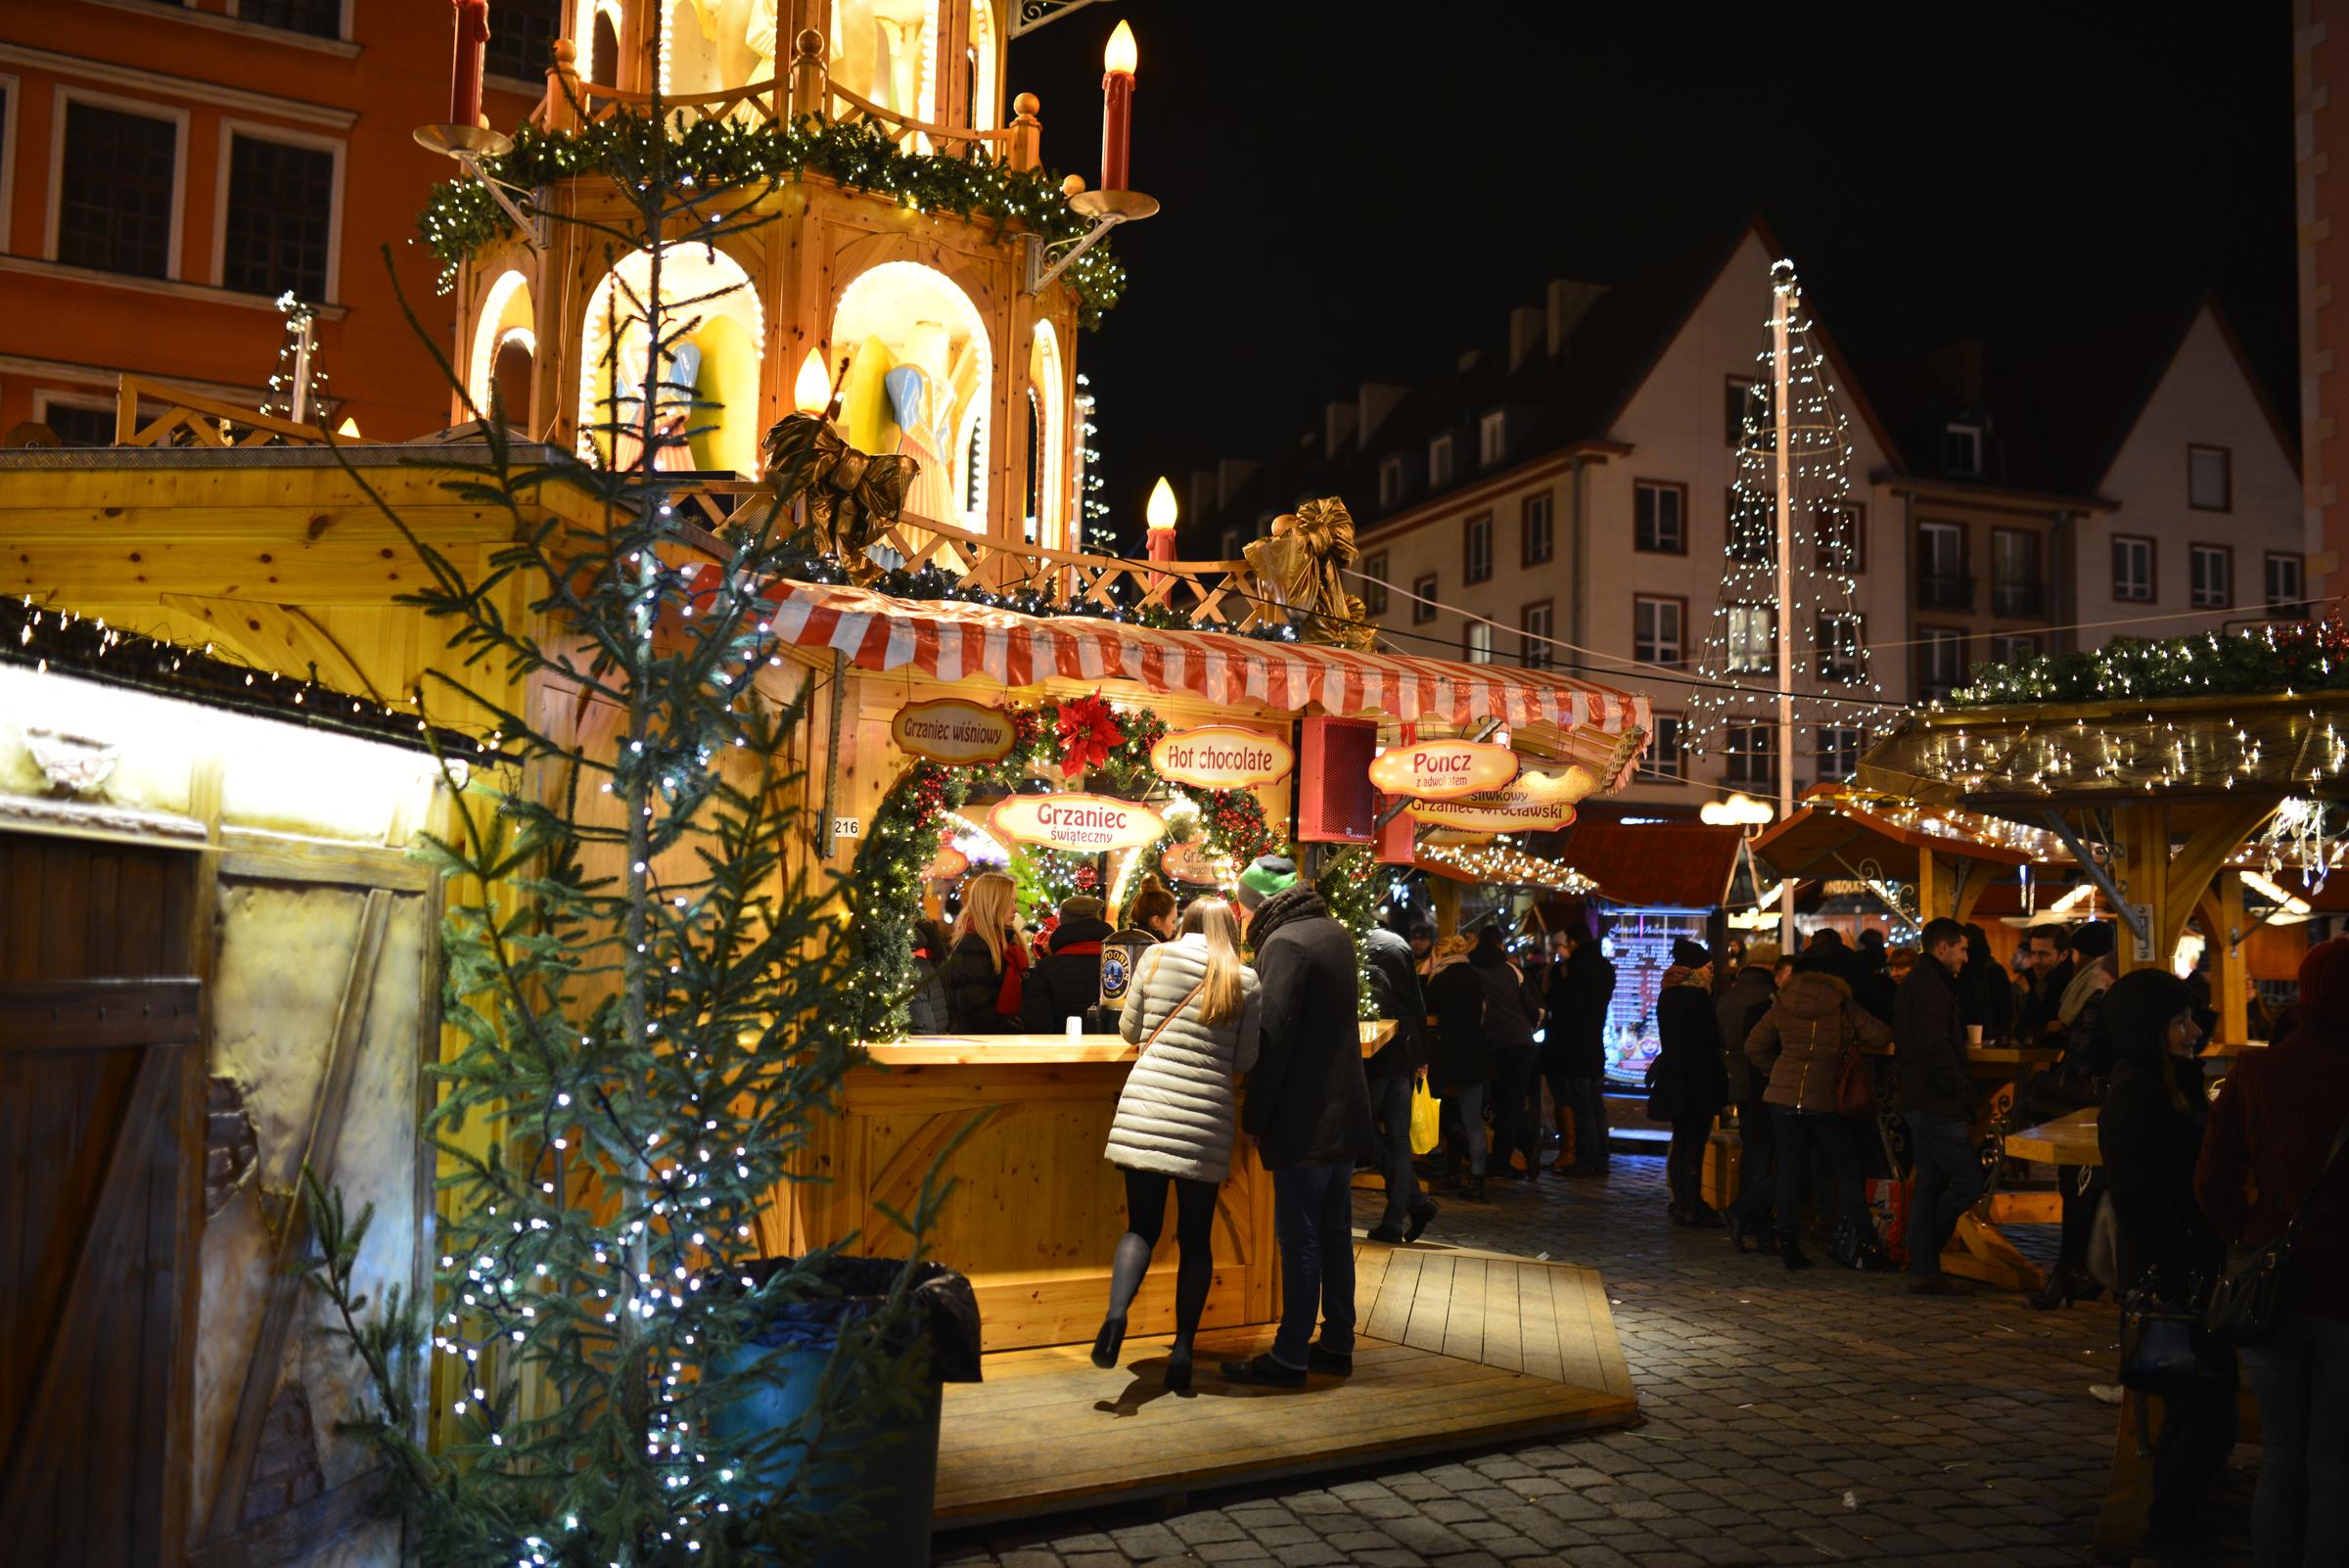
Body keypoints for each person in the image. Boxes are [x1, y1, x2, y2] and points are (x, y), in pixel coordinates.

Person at [2197, 937, 2349, 1568]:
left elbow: (2210, 1183)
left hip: (2269, 1284)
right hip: (2345, 1290)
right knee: (2336, 1466)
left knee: (2281, 1455)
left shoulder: (2254, 1072)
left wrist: (2252, 1235)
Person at [1093, 898, 1261, 1394]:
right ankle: (1184, 1350)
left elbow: (1129, 1028)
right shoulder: (1244, 980)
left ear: (1182, 923)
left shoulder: (1156, 958)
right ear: (1231, 930)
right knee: (1195, 1239)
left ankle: (1116, 1315)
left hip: (1146, 1108)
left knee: (1141, 1227)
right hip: (1205, 1118)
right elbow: (1246, 1058)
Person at [2099, 968, 2235, 1562]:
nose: (2192, 1031)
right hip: (2176, 1273)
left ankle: (2175, 1521)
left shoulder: (2169, 1079)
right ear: (2149, 1030)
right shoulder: (2139, 1089)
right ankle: (2170, 1529)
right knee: (2209, 1413)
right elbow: (2137, 1192)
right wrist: (2180, 1260)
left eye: (2190, 1018)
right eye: (2179, 1021)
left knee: (2193, 1403)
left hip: (2189, 1264)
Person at [1222, 857, 1374, 1389]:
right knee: (1333, 1232)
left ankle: (1290, 1355)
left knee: (1301, 1236)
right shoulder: (1332, 931)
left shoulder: (1284, 944)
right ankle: (1336, 1341)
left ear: (1256, 903)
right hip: (1342, 1112)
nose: (1239, 916)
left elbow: (1274, 1038)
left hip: (1305, 1117)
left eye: (1242, 905)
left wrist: (1255, 1116)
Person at [1746, 945, 1892, 1270]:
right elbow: (1879, 1034)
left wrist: (1775, 1071)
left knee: (1789, 1171)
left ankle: (1788, 1243)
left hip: (1782, 1100)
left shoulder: (1783, 1000)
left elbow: (1753, 1045)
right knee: (1846, 1171)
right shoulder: (1840, 1002)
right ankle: (1867, 1245)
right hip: (1823, 1100)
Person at [2033, 921, 2119, 1310]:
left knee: (2078, 1186)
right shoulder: (2109, 991)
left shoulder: (2094, 991)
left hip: (2088, 1103)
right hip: (2110, 1101)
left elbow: (2084, 1052)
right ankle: (2086, 1273)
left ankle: (2071, 1272)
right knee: (2092, 1188)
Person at [1895, 918, 1980, 1294]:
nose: (1966, 957)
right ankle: (1926, 1252)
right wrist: (1959, 1088)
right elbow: (1934, 1044)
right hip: (1935, 1101)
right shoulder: (1930, 987)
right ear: (1942, 948)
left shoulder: (1924, 983)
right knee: (1967, 1183)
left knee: (1930, 1183)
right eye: (1962, 949)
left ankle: (1924, 1268)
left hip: (1921, 1097)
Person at [1362, 923, 1439, 1244]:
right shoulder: (1396, 944)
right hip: (1404, 1051)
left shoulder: (1357, 945)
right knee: (1397, 1139)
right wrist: (1422, 1052)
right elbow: (1414, 1001)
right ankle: (1399, 1216)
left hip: (1378, 1054)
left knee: (1363, 1132)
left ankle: (1413, 1206)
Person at [1649, 938, 1727, 1227]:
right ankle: (1692, 1204)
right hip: (1698, 1078)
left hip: (1675, 1077)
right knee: (1694, 1142)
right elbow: (1710, 1040)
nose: (1710, 972)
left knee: (1681, 1140)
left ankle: (1681, 1200)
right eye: (1706, 967)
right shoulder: (1697, 998)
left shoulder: (1667, 994)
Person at [1716, 941, 1780, 1247]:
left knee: (1753, 1148)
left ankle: (1744, 1210)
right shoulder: (1770, 998)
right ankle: (1753, 1215)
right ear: (1771, 966)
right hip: (1766, 1082)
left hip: (1738, 1081)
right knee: (1768, 1154)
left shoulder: (1729, 995)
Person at [1469, 927, 1543, 1183]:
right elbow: (1533, 1008)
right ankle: (1522, 1146)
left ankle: (1504, 1159)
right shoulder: (1513, 971)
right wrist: (1528, 1029)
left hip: (1490, 1044)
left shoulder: (1470, 969)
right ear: (1500, 945)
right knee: (1510, 1103)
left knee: (1499, 1103)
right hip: (1520, 1044)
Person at [1423, 934, 1491, 1200]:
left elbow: (1428, 1007)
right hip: (1475, 1054)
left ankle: (1440, 1166)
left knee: (1431, 1108)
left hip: (1447, 1053)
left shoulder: (1441, 979)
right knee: (1473, 1120)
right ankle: (1477, 1180)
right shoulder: (1475, 977)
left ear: (1440, 954)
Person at [1549, 921, 1617, 1176]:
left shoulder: (1576, 967)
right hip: (1595, 1044)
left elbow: (1570, 1007)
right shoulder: (1604, 966)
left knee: (1582, 1106)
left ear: (1573, 943)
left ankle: (1586, 1159)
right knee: (1596, 1103)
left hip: (1576, 1045)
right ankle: (1601, 1158)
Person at [941, 871, 1026, 1033]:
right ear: (992, 903)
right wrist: (1011, 1030)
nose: (1015, 909)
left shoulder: (1006, 943)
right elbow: (975, 1007)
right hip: (983, 1045)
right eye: (1009, 902)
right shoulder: (975, 945)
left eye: (1014, 901)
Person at [1021, 894, 1116, 1034]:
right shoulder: (1117, 965)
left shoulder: (1046, 969)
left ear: (1063, 923)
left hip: (1061, 1053)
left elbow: (1038, 1026)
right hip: (1114, 1052)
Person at [1960, 922, 2015, 1043]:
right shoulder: (1993, 970)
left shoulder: (1990, 972)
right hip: (1989, 1037)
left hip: (1987, 1038)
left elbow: (2004, 1011)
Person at [906, 916, 952, 1034]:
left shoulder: (911, 971)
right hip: (940, 1041)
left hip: (928, 1047)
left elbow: (922, 1030)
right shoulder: (928, 960)